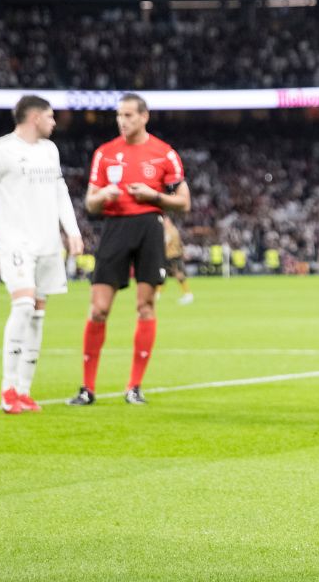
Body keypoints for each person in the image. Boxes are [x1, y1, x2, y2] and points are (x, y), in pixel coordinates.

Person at [70, 93, 191, 407]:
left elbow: (184, 203)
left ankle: (134, 387)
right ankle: (87, 389)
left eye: (128, 116)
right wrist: (103, 197)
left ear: (144, 117)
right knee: (98, 309)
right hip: (115, 227)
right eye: (119, 116)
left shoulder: (164, 154)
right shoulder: (105, 153)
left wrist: (154, 196)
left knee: (145, 306)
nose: (122, 121)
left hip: (150, 226)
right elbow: (90, 202)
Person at [0, 95, 83, 414]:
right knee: (23, 305)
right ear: (34, 118)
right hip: (15, 242)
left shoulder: (50, 150)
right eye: (50, 116)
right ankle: (8, 387)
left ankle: (24, 389)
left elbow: (60, 192)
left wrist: (72, 230)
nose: (54, 122)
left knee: (38, 314)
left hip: (48, 243)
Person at [161, 215, 195, 305]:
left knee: (176, 274)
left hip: (172, 256)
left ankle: (188, 294)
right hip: (173, 256)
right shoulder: (174, 230)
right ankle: (158, 293)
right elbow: (179, 243)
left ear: (169, 221)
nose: (163, 223)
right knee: (164, 274)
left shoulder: (170, 231)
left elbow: (166, 243)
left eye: (165, 221)